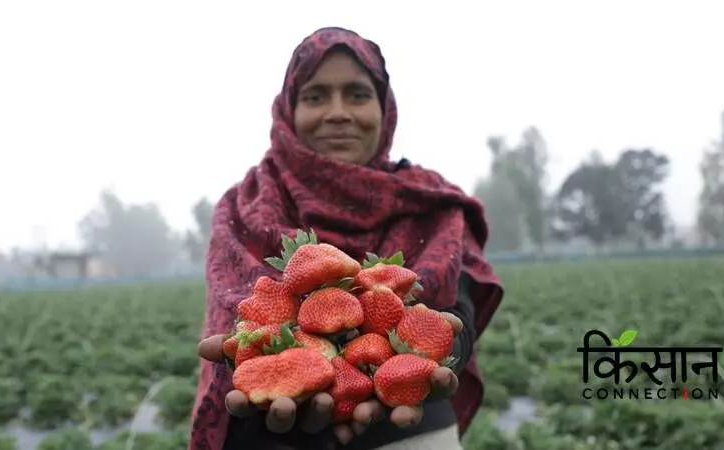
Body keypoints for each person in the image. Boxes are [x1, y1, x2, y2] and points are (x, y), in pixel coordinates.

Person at [189, 27, 504, 450]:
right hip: (271, 436)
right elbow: (240, 334)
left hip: (410, 434)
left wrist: (441, 344)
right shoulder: (245, 206)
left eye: (357, 93)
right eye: (316, 96)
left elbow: (455, 313)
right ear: (289, 110)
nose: (337, 112)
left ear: (384, 108)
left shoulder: (431, 203)